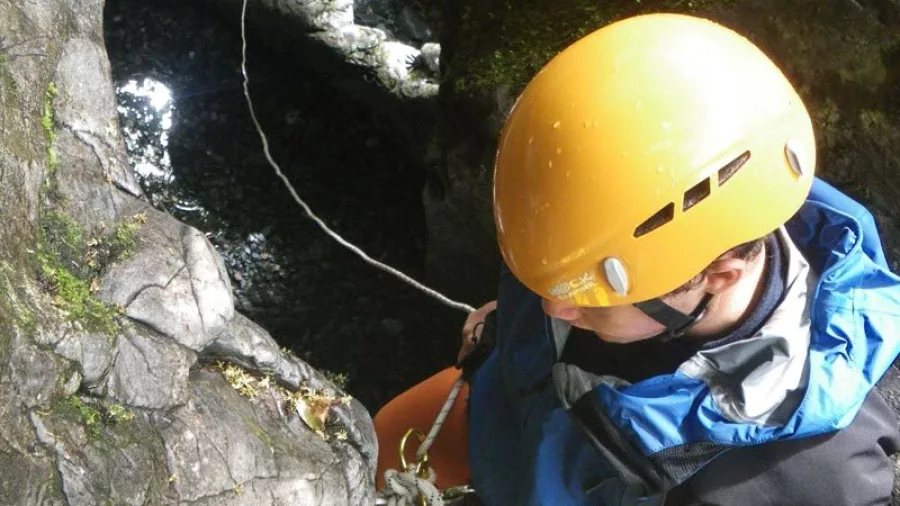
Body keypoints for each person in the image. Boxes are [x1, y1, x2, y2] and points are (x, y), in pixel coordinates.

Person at [375, 12, 900, 505]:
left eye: (591, 295)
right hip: (516, 414)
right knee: (378, 443)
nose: (551, 306)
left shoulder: (804, 479)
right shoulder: (605, 209)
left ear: (721, 275)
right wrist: (507, 327)